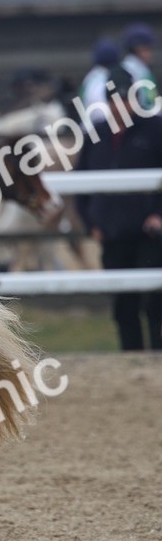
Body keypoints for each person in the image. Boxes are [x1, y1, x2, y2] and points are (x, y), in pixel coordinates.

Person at [76, 66, 162, 351]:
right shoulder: (96, 134)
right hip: (112, 232)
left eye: (125, 98)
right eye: (114, 98)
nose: (120, 104)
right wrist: (92, 223)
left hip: (149, 232)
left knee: (155, 301)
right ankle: (131, 358)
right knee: (123, 305)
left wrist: (158, 214)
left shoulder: (155, 130)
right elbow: (80, 183)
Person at [79, 38, 120, 125]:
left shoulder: (88, 79)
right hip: (101, 129)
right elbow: (100, 113)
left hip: (87, 130)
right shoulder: (112, 77)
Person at [121, 23, 158, 114]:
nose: (150, 54)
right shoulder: (133, 71)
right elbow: (146, 104)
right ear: (138, 49)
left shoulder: (139, 68)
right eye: (147, 49)